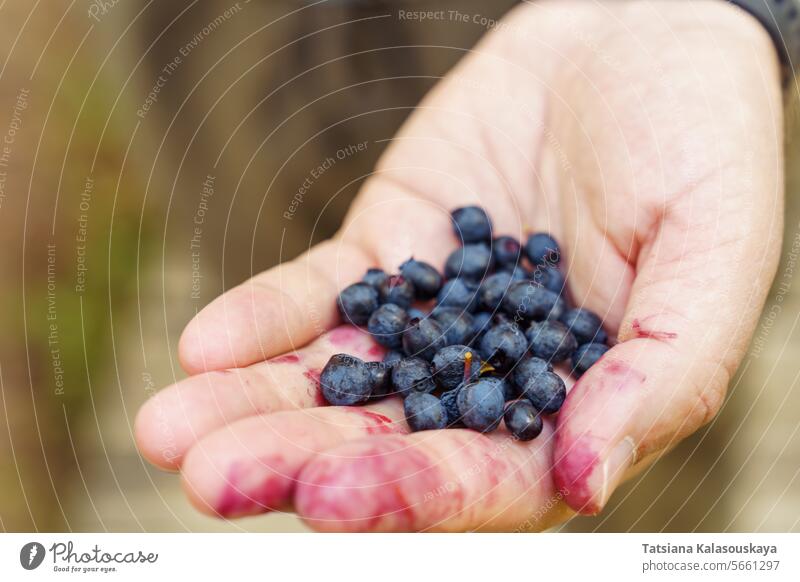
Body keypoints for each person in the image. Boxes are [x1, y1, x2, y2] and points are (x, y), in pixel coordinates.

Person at [135, 0, 788, 531]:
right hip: (237, 54)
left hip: (560, 62)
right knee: (279, 305)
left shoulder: (518, 331)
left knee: (632, 441)